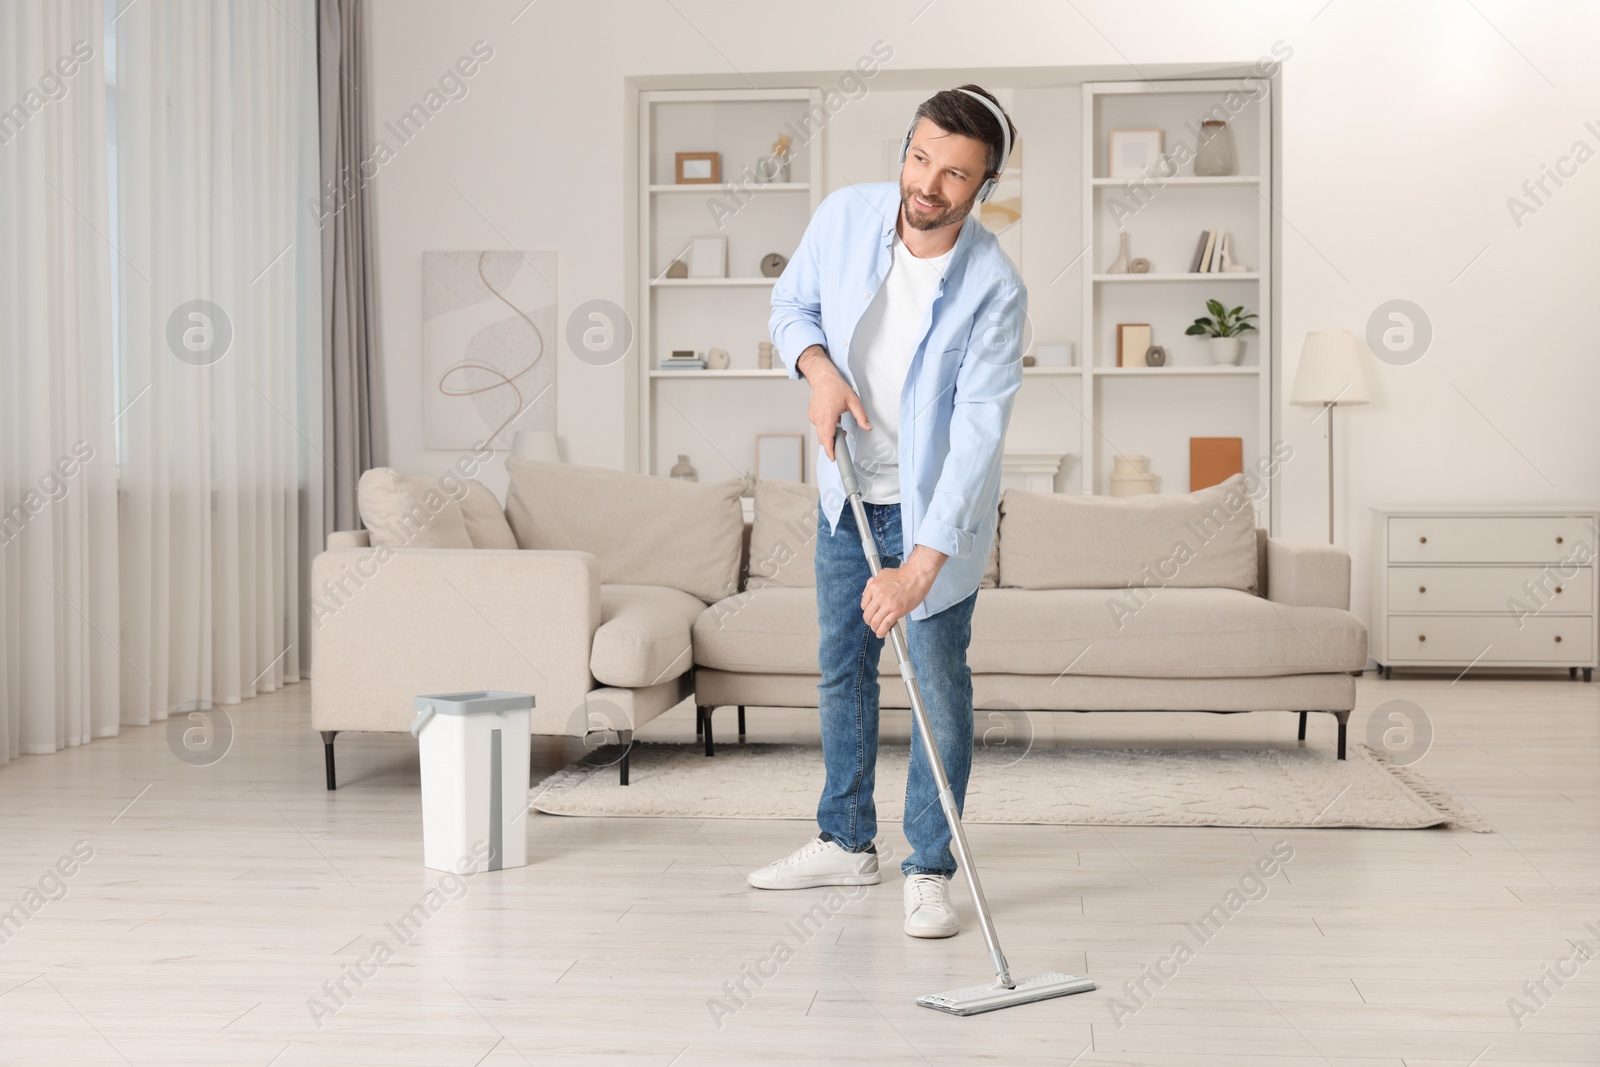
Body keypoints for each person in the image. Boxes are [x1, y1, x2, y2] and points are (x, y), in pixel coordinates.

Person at [747, 85, 1027, 938]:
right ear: (906, 149)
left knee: (937, 687)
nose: (928, 185)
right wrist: (817, 369)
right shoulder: (842, 217)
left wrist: (920, 567)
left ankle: (929, 866)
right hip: (846, 492)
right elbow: (790, 307)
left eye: (954, 175)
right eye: (920, 158)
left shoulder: (994, 288)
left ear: (984, 188)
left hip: (931, 510)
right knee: (843, 667)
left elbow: (977, 442)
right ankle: (845, 839)